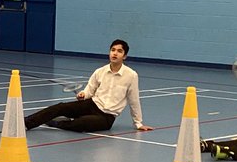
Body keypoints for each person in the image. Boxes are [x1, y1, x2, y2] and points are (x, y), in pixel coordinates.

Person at [24, 39, 152, 133]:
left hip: (107, 117)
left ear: (124, 56)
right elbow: (89, 90)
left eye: (119, 51)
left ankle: (56, 123)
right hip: (91, 104)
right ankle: (26, 122)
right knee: (60, 107)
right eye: (113, 50)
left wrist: (138, 123)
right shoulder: (100, 71)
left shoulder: (131, 75)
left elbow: (134, 100)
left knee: (82, 123)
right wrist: (83, 94)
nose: (115, 53)